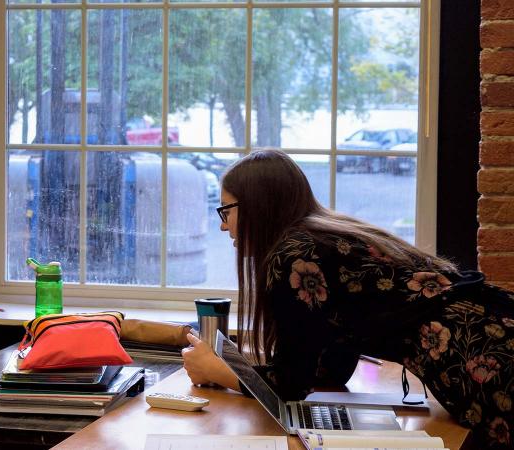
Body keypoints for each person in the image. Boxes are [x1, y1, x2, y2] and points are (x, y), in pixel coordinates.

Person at [182, 150, 514, 448]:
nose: (224, 227)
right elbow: (332, 368)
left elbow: (289, 386)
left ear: (257, 206)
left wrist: (219, 370)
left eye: (226, 211)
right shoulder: (321, 235)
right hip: (492, 335)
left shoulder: (293, 256)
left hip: (482, 357)